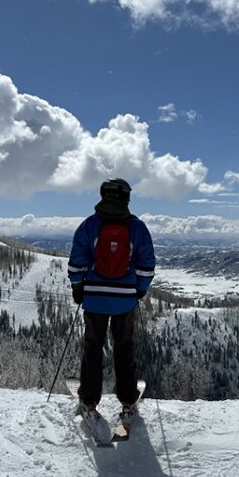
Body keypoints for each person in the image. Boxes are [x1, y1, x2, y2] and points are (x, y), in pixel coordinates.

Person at [68, 178, 156, 424]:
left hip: (94, 298)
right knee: (124, 348)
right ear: (126, 198)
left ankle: (89, 400)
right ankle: (128, 400)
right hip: (124, 300)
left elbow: (76, 262)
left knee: (92, 348)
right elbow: (146, 265)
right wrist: (139, 290)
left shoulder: (89, 225)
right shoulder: (137, 228)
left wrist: (78, 287)